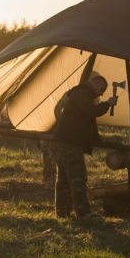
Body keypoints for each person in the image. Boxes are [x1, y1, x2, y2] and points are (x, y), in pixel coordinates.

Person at [50, 73, 122, 219]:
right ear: (95, 84)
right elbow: (92, 112)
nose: (101, 93)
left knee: (64, 178)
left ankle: (62, 212)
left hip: (64, 140)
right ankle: (83, 212)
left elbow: (87, 117)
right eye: (101, 89)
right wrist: (108, 103)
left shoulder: (80, 94)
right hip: (70, 142)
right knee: (78, 177)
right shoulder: (82, 94)